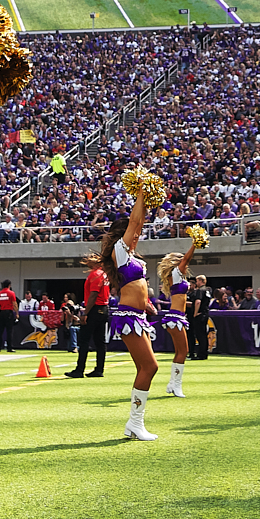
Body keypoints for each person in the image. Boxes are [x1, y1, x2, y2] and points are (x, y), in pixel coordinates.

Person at [87, 179, 161, 441]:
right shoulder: (120, 251)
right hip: (129, 316)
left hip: (139, 316)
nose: (138, 235)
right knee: (150, 367)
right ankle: (134, 423)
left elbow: (137, 226)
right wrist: (142, 193)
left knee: (148, 367)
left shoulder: (132, 256)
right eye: (134, 233)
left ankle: (135, 423)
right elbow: (135, 223)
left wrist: (148, 304)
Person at [159, 244, 198, 397]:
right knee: (183, 351)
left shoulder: (176, 276)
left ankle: (172, 382)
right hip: (175, 317)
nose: (185, 263)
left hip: (178, 317)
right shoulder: (176, 273)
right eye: (181, 260)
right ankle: (177, 385)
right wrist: (195, 244)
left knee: (180, 352)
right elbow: (187, 258)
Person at [66, 256, 109, 378]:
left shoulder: (95, 275)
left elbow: (93, 295)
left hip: (95, 309)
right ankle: (99, 369)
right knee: (100, 342)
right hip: (104, 309)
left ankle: (80, 369)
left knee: (84, 340)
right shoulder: (104, 274)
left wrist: (85, 313)